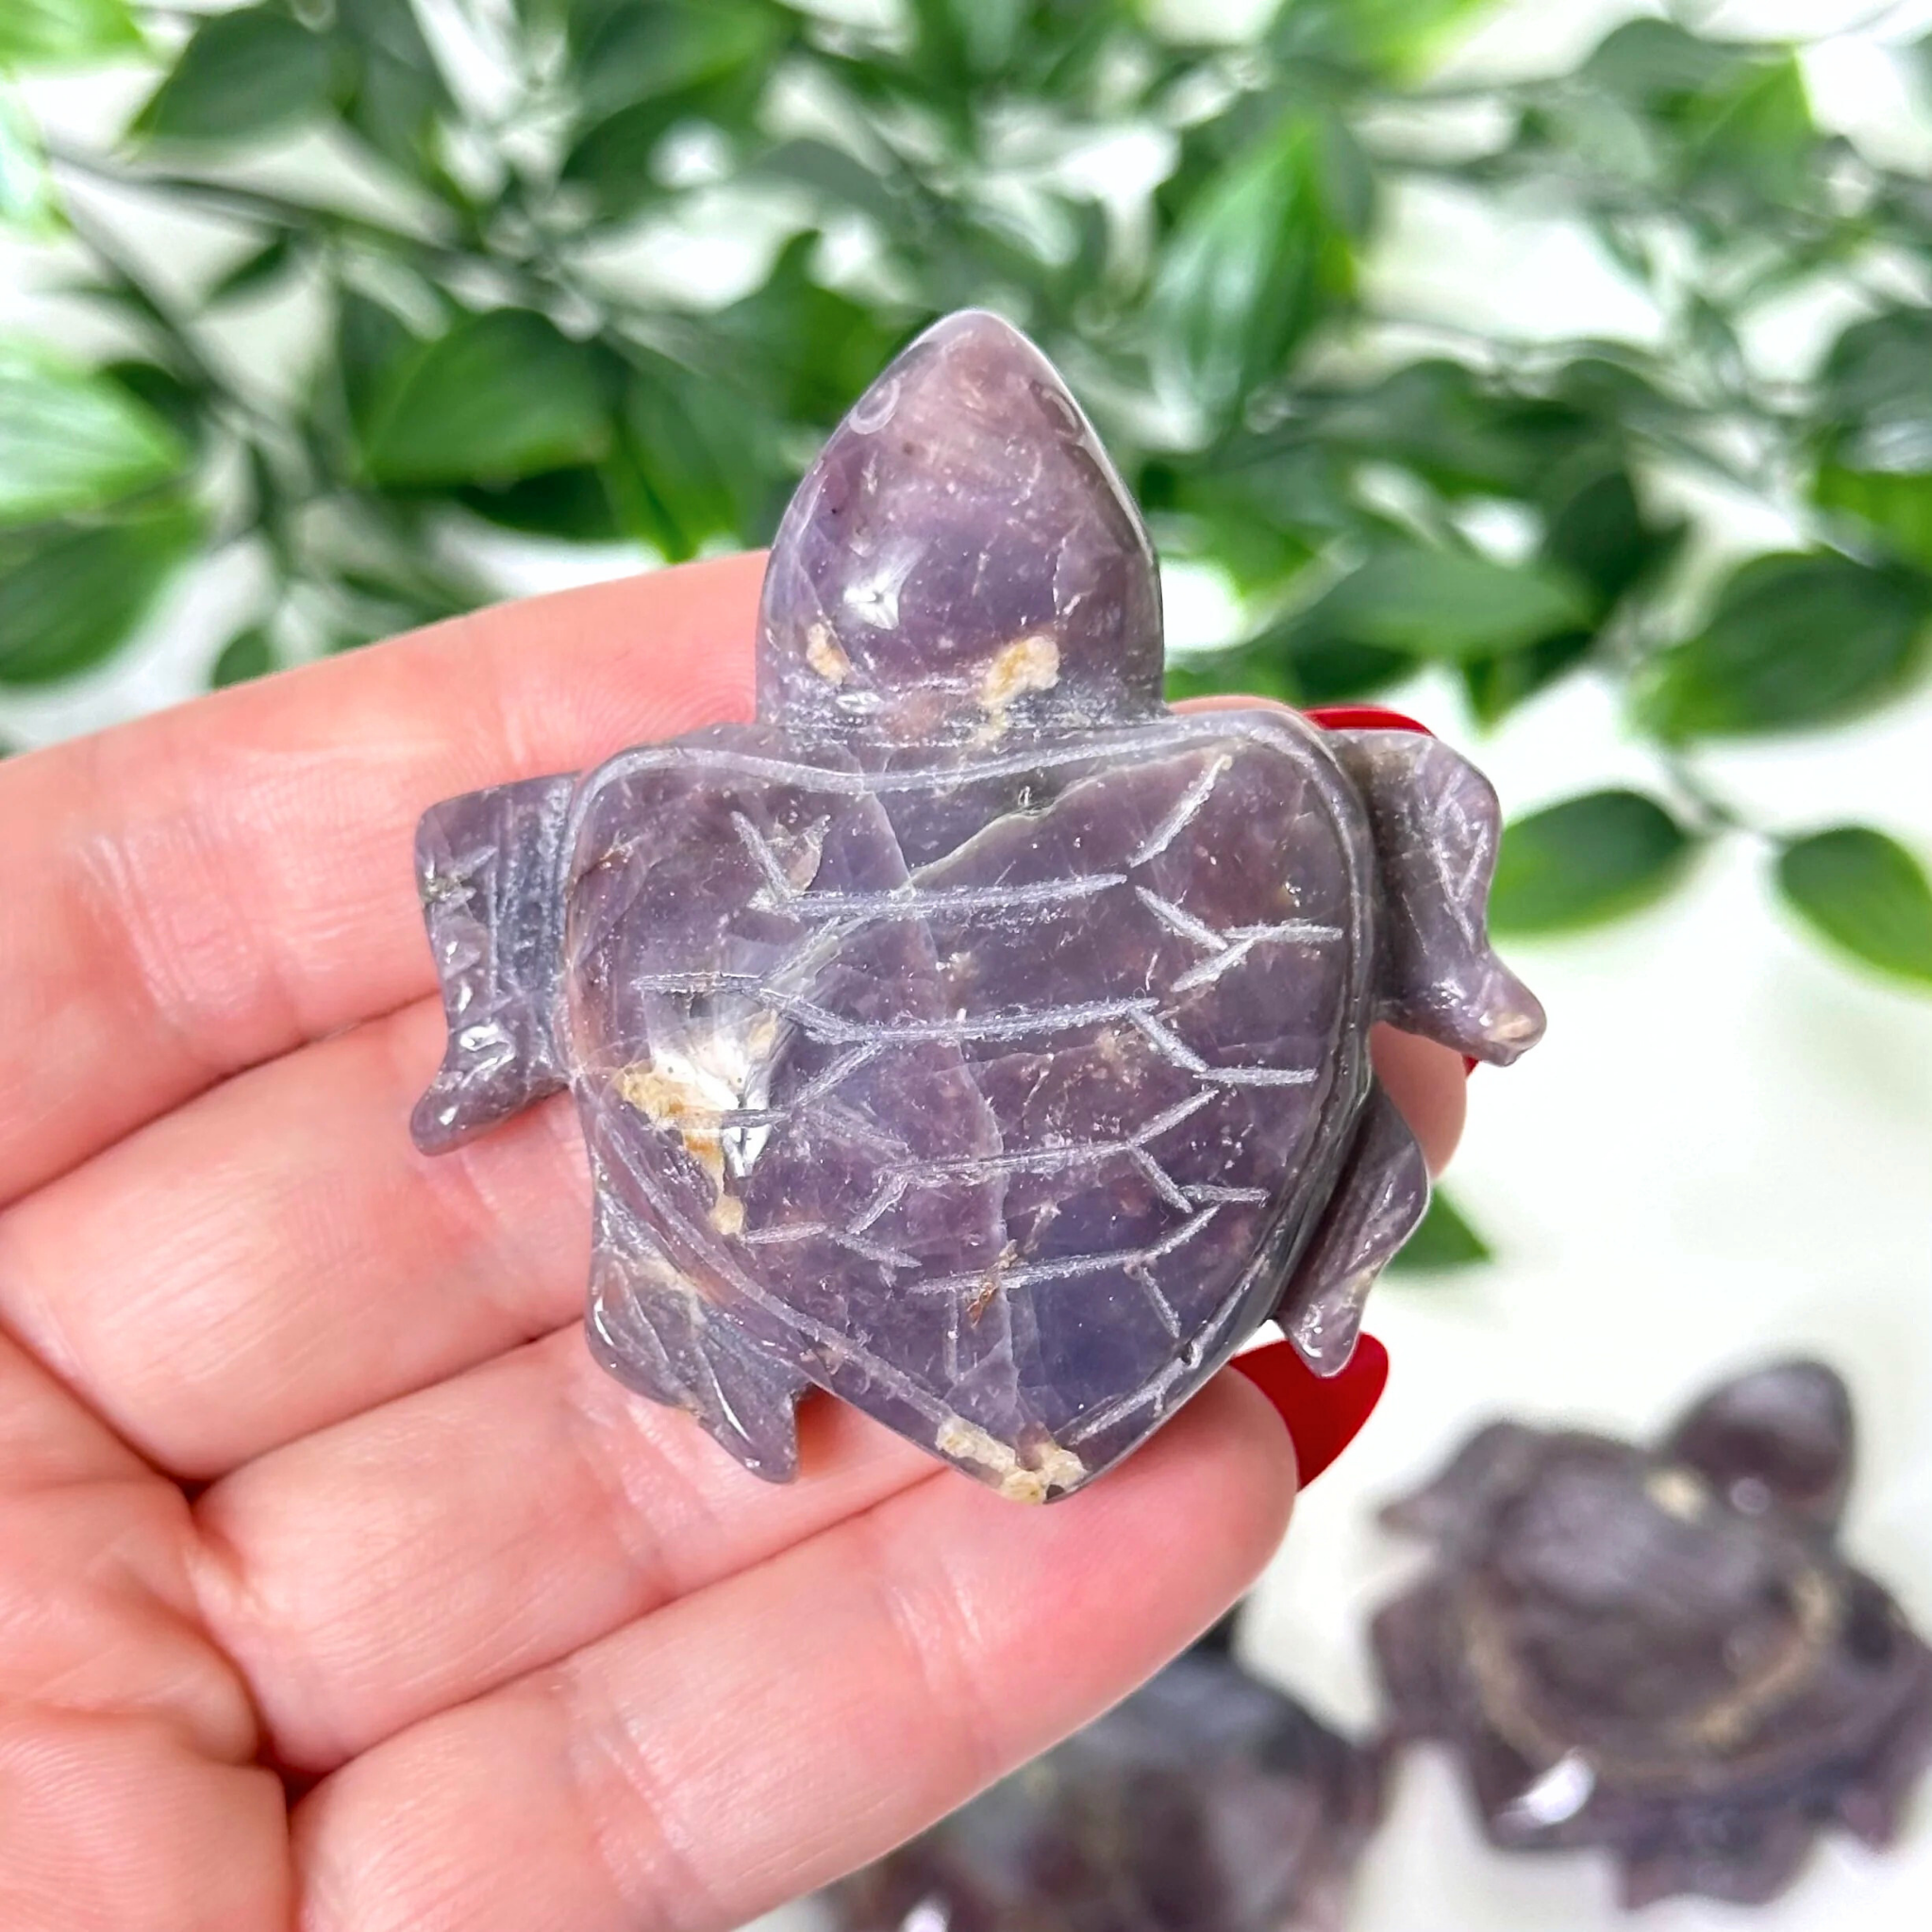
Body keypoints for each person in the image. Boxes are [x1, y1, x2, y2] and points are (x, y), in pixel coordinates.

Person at [0, 554, 1466, 1931]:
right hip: (1134, 1199)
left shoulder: (630, 811)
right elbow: (1421, 802)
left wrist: (500, 1041)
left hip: (912, 1223)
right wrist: (1455, 958)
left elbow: (477, 844)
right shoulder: (1272, 792)